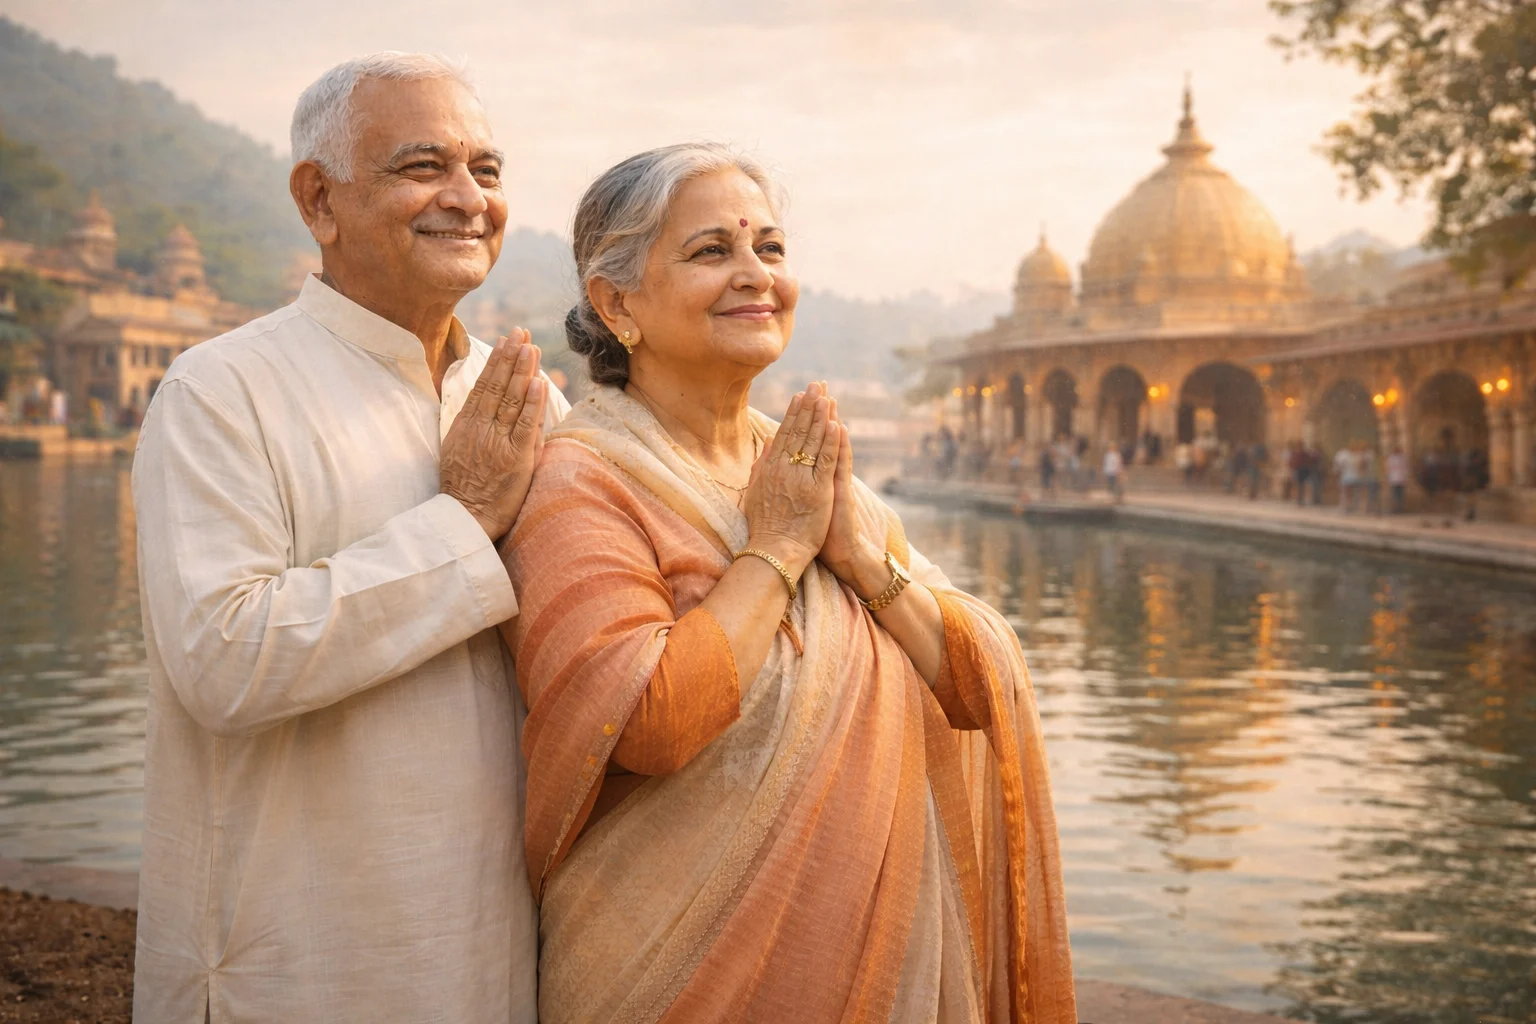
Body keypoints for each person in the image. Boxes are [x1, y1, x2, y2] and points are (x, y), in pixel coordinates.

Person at [503, 145, 1076, 1023]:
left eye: (769, 248)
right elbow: (651, 722)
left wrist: (864, 564)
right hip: (670, 971)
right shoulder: (581, 482)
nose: (755, 275)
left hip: (869, 958)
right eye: (712, 251)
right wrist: (774, 549)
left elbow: (974, 686)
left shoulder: (811, 472)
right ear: (618, 304)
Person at [130, 54, 569, 1023]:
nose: (468, 199)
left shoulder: (524, 399)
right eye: (424, 166)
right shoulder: (222, 390)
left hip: (494, 950)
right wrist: (464, 524)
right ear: (318, 200)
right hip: (295, 962)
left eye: (487, 171)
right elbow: (223, 659)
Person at [1387, 445, 1409, 514]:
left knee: (1400, 495)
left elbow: (1405, 469)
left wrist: (1405, 478)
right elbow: (1389, 468)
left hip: (1400, 479)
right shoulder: (1391, 458)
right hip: (1394, 479)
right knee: (1395, 495)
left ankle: (1399, 508)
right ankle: (1395, 508)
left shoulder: (1403, 458)